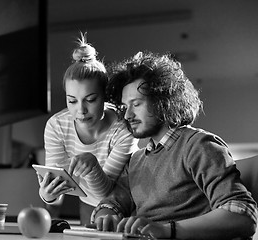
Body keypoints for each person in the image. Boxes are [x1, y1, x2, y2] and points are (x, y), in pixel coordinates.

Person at [91, 51, 258, 239]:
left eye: (136, 104)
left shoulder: (198, 145)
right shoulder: (136, 160)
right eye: (124, 107)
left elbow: (243, 215)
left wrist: (166, 230)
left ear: (164, 101)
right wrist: (106, 214)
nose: (128, 115)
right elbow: (113, 202)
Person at [36, 33, 138, 225]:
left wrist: (92, 167)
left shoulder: (124, 128)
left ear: (105, 96)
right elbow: (58, 183)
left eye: (91, 100)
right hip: (87, 204)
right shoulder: (57, 125)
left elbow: (106, 195)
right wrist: (47, 194)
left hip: (127, 205)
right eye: (72, 101)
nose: (80, 110)